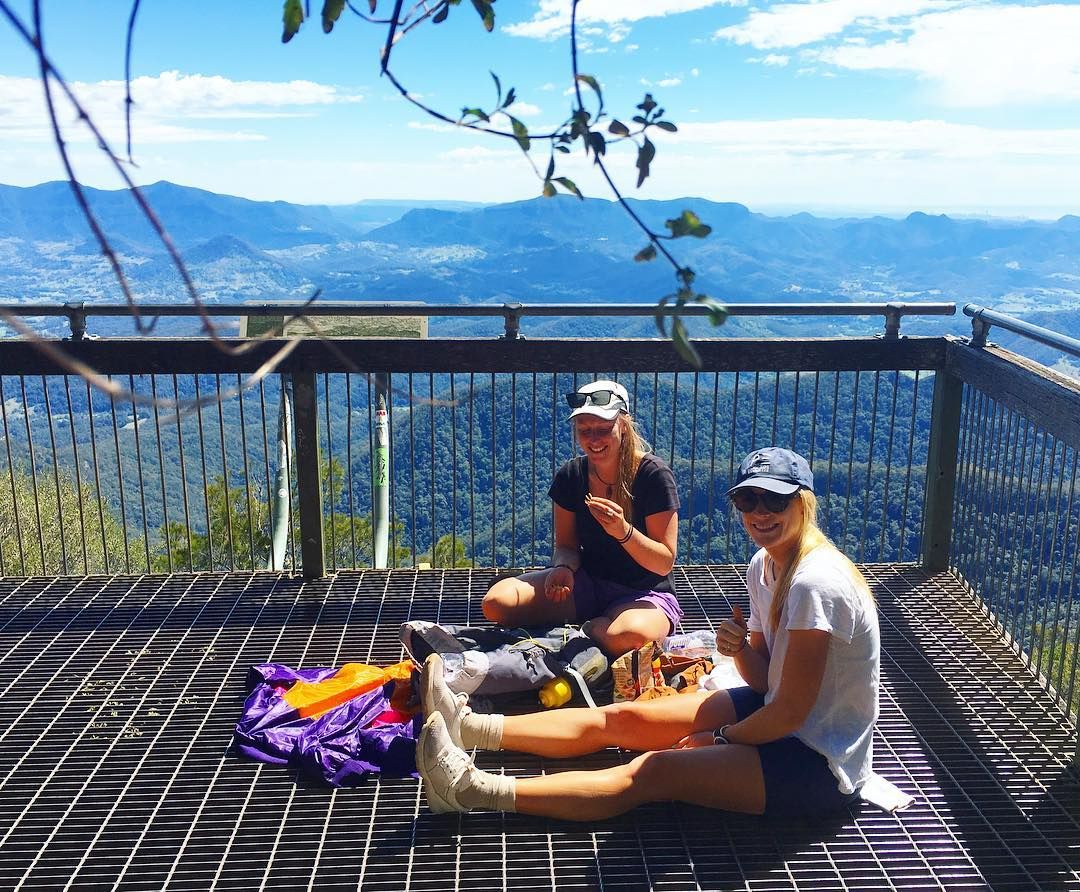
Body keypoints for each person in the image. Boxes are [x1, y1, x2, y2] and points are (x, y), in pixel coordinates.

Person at [416, 447, 880, 820]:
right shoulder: (765, 565)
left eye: (776, 501)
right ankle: (470, 728)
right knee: (624, 718)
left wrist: (721, 738)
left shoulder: (815, 583)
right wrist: (738, 650)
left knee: (654, 771)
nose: (761, 513)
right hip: (774, 711)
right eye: (748, 501)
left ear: (804, 503)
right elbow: (764, 682)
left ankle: (470, 790)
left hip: (817, 760)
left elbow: (791, 712)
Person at [481, 379, 682, 657]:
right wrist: (563, 567)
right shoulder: (571, 476)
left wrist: (623, 531)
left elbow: (664, 562)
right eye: (585, 430)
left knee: (629, 637)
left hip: (645, 593)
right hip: (587, 584)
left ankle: (590, 629)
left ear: (623, 425)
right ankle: (599, 627)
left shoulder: (653, 475)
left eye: (603, 429)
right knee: (496, 603)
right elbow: (567, 546)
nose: (594, 439)